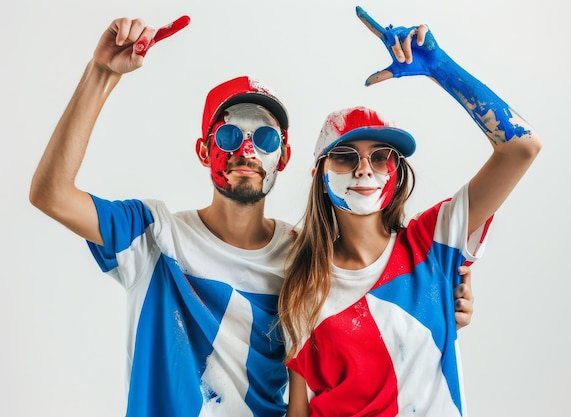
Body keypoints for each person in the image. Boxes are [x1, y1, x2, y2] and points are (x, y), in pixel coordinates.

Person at [29, 14, 476, 417]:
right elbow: (51, 194)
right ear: (205, 151)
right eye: (228, 134)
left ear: (283, 156)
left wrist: (446, 300)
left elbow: (378, 307)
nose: (246, 151)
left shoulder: (308, 259)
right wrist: (101, 73)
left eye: (263, 137)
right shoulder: (151, 235)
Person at [278, 7, 542, 417]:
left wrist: (440, 69)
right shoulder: (303, 286)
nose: (365, 168)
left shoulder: (434, 241)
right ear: (320, 175)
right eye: (346, 156)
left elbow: (521, 147)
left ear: (397, 172)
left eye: (381, 156)